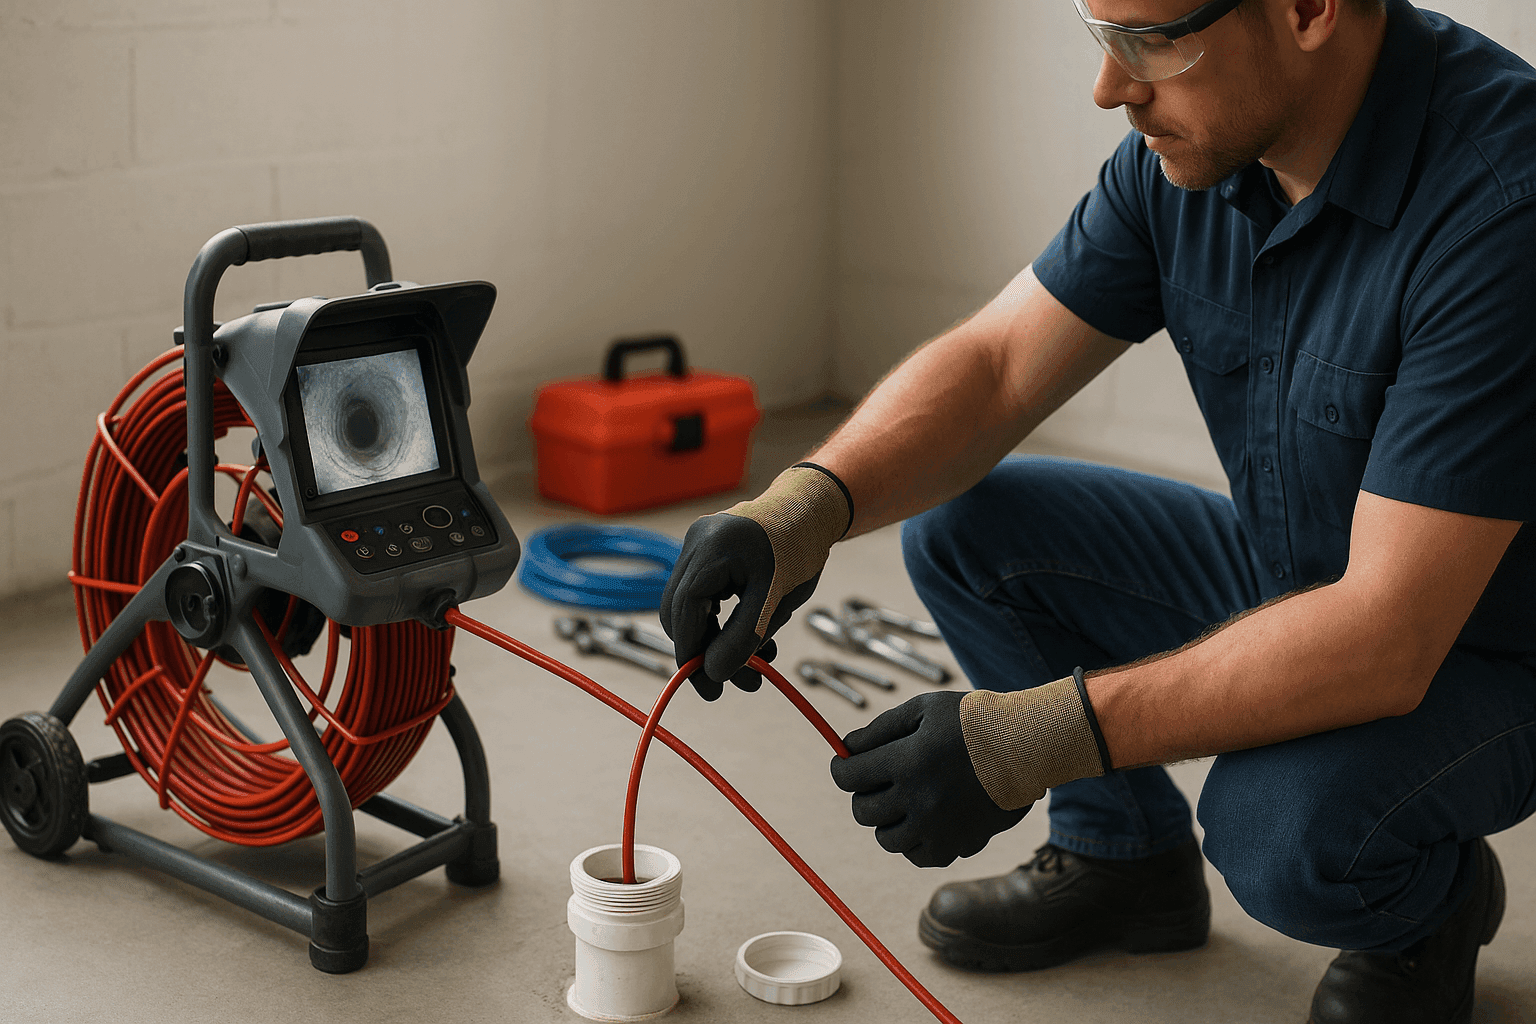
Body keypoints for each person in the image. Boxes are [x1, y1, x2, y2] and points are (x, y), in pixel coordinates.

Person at [659, 0, 1536, 1019]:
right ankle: (1124, 857)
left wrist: (1027, 739)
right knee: (969, 533)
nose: (1112, 88)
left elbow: (1388, 633)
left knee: (1282, 829)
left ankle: (1428, 906)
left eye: (1155, 39)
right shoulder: (1200, 154)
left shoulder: (1503, 203)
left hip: (1489, 648)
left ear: (1307, 9)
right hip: (1316, 574)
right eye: (1101, 33)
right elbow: (993, 370)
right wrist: (805, 504)